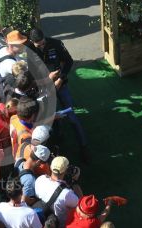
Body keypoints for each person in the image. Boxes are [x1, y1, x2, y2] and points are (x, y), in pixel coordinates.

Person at [29, 28, 89, 162]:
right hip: (44, 90)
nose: (43, 45)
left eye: (43, 42)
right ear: (33, 43)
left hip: (61, 85)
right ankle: (57, 145)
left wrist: (61, 79)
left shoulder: (55, 44)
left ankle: (83, 147)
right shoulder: (29, 51)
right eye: (39, 44)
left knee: (72, 116)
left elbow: (69, 61)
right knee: (52, 119)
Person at [35, 156, 83, 228]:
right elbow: (81, 204)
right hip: (60, 225)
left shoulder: (40, 179)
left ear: (51, 167)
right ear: (66, 170)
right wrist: (75, 182)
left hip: (44, 219)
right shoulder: (66, 194)